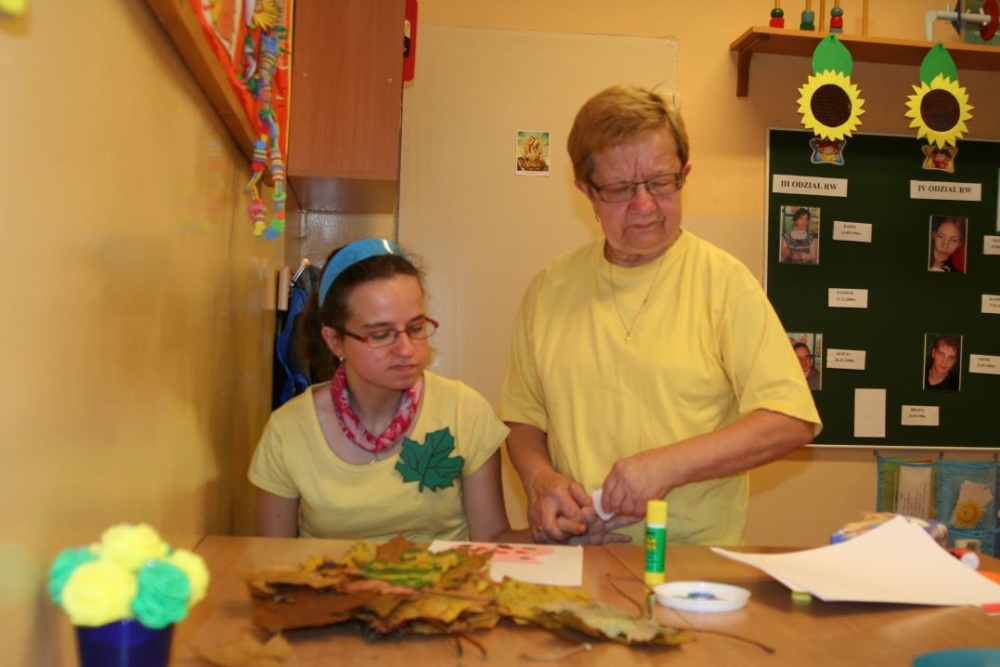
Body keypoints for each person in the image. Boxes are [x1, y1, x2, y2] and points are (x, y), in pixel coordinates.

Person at [499, 84, 821, 547]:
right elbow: (522, 418)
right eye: (620, 189)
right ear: (586, 192)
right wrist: (540, 480)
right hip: (578, 552)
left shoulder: (725, 284)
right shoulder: (550, 290)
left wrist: (668, 466)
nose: (645, 206)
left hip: (692, 560)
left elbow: (790, 420)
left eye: (660, 182)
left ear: (684, 175)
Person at [249, 238, 519, 543]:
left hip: (442, 575)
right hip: (327, 576)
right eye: (380, 334)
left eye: (415, 328)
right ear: (335, 341)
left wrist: (554, 530)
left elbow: (492, 544)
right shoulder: (288, 431)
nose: (406, 349)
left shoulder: (465, 412)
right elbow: (272, 557)